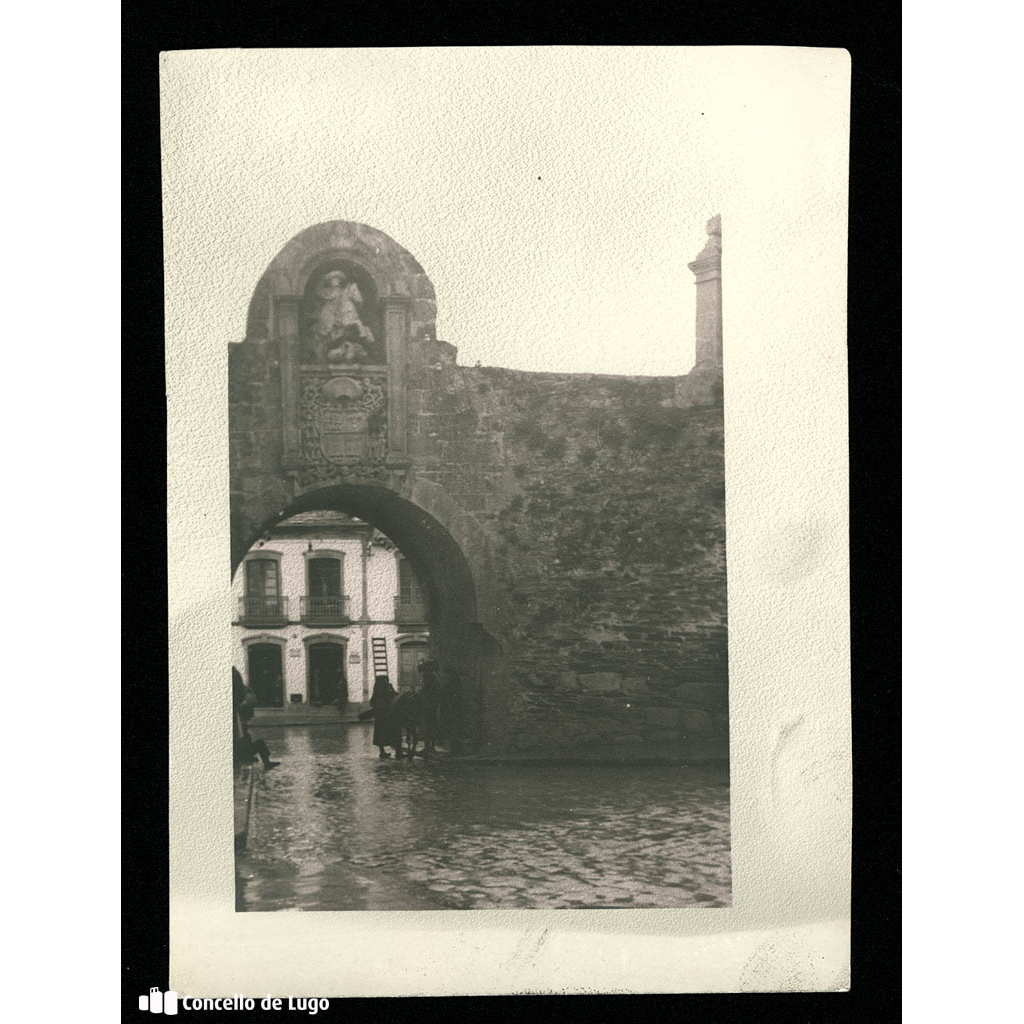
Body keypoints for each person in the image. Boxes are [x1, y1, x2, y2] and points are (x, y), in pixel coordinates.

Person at [233, 668, 280, 770]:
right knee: (258, 743)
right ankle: (266, 763)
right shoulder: (241, 693)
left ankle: (259, 760)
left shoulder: (242, 691)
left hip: (239, 749)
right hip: (239, 751)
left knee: (248, 738)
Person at [370, 675, 403, 759]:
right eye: (386, 681)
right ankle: (397, 752)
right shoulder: (386, 690)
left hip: (381, 716)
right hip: (388, 716)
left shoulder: (378, 690)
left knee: (381, 734)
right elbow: (395, 696)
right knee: (392, 733)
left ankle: (383, 752)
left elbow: (372, 702)